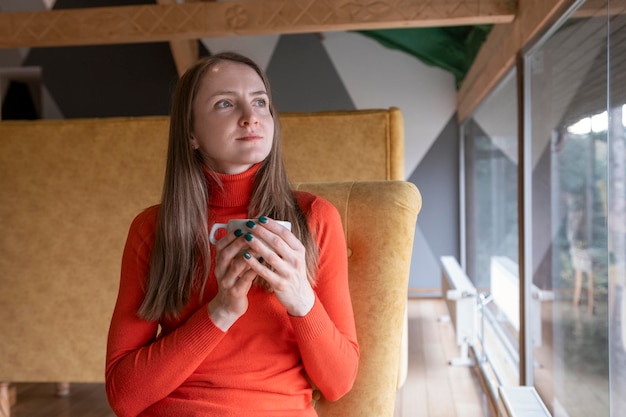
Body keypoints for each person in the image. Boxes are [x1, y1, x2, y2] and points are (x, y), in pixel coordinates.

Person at [105, 52, 359, 417]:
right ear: (190, 133)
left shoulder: (314, 218)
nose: (250, 116)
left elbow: (339, 383)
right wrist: (220, 312)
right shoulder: (153, 230)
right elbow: (123, 397)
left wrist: (300, 297)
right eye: (225, 103)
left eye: (260, 102)